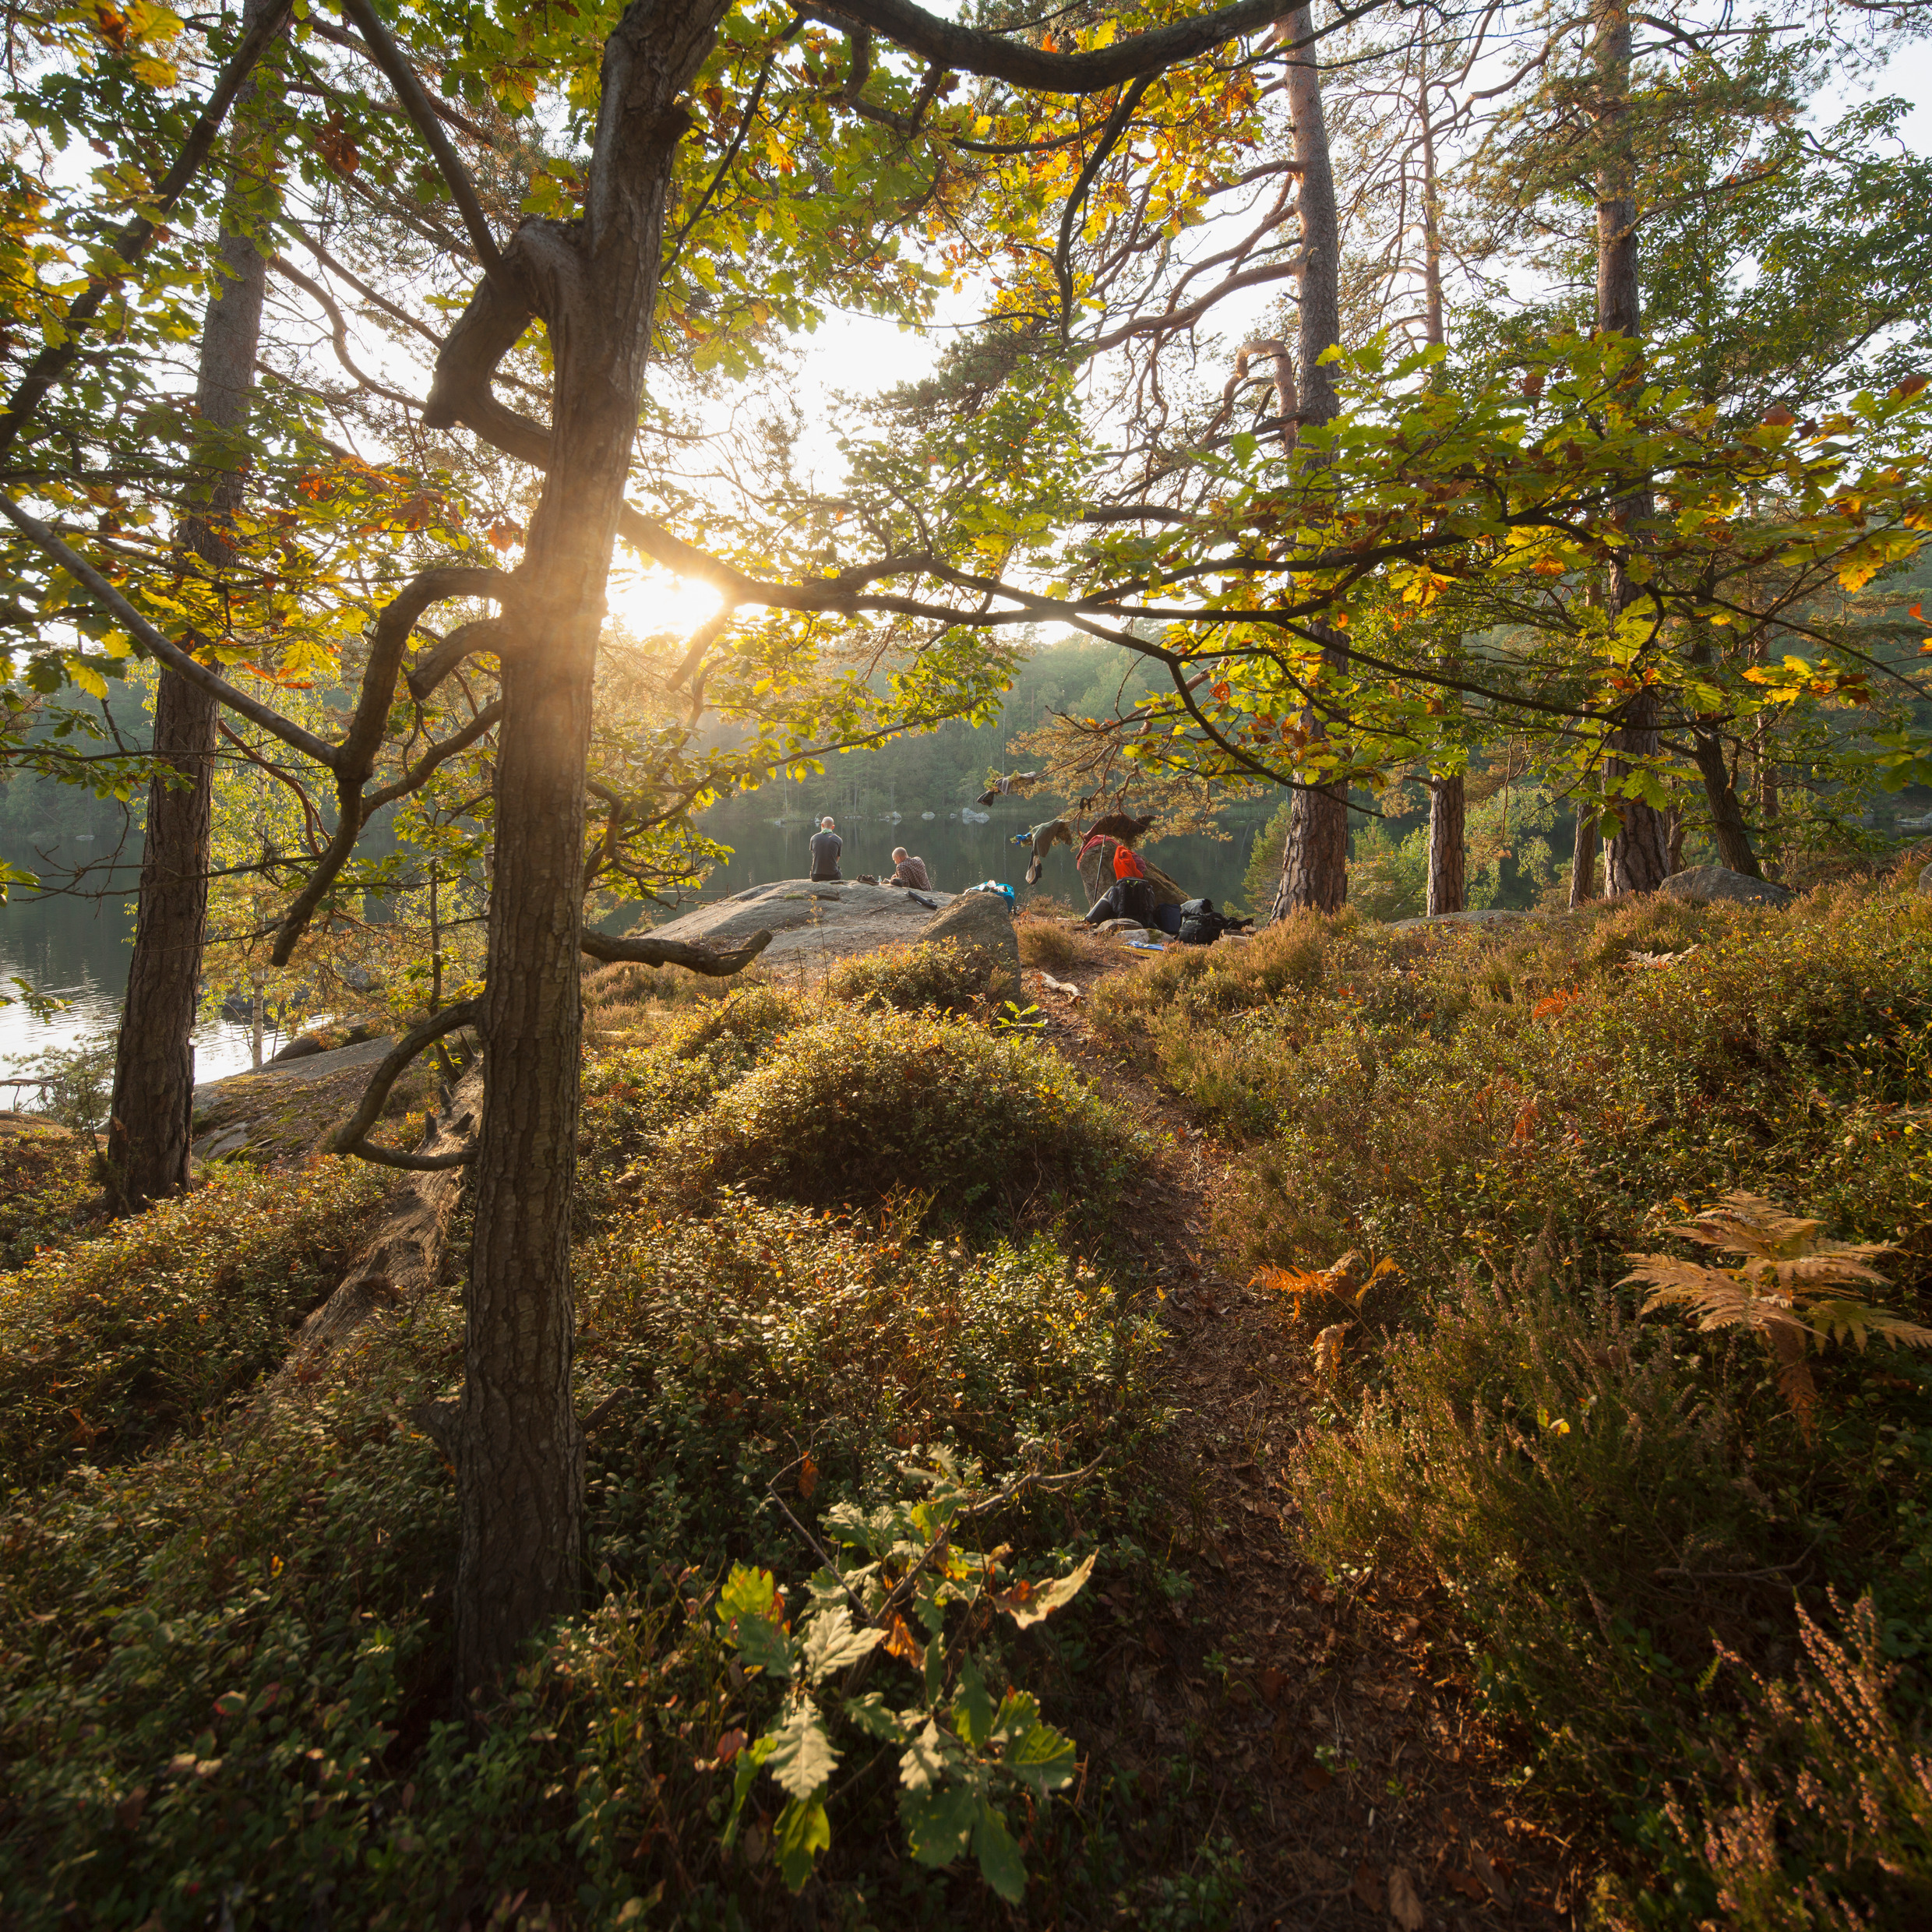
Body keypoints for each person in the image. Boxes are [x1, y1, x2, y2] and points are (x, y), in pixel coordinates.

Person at [809, 815, 843, 882]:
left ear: (822, 825)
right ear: (833, 827)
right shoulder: (838, 839)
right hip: (833, 876)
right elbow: (837, 858)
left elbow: (815, 854)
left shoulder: (814, 838)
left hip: (816, 876)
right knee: (839, 871)